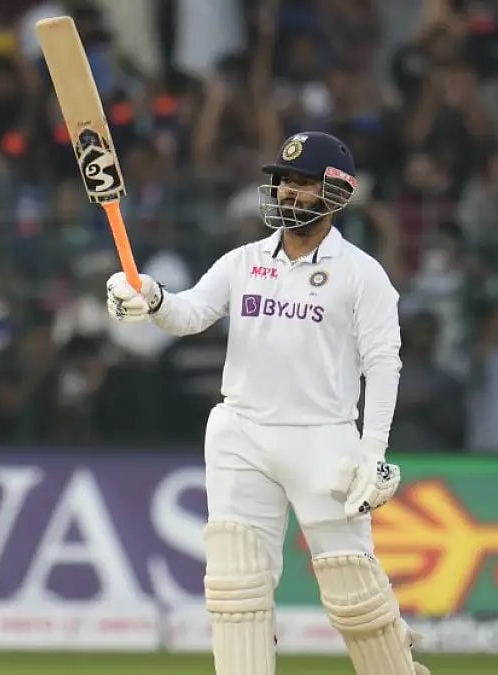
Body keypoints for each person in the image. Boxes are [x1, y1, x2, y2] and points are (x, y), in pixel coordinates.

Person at [106, 131, 426, 675]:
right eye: (284, 182)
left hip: (323, 438)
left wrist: (373, 452)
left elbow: (383, 363)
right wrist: (151, 298)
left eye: (303, 184)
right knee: (236, 590)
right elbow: (188, 315)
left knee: (354, 592)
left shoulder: (362, 274)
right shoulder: (244, 261)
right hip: (241, 433)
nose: (288, 193)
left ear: (336, 193)